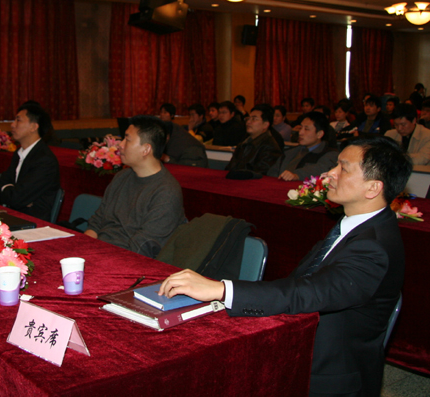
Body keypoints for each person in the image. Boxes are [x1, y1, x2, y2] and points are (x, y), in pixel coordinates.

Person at [159, 136, 411, 397]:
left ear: (372, 188)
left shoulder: (374, 246)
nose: (330, 174)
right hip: (300, 337)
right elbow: (299, 284)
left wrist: (221, 289)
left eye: (343, 168)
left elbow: (310, 292)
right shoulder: (355, 225)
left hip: (328, 374)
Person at [85, 116, 186, 258]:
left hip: (126, 260)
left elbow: (142, 248)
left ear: (146, 149)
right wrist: (83, 247)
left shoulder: (166, 192)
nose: (120, 145)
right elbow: (97, 222)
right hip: (100, 252)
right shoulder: (122, 176)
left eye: (127, 139)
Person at [0, 104, 60, 221]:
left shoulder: (45, 160)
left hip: (33, 222)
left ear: (33, 127)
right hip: (15, 215)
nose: (12, 124)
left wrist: (9, 191)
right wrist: (11, 191)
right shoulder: (19, 153)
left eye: (18, 120)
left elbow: (16, 198)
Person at [268, 111, 338, 181]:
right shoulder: (290, 152)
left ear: (319, 134)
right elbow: (272, 172)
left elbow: (320, 169)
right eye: (301, 128)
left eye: (306, 129)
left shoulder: (330, 154)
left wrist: (297, 175)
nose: (300, 132)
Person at [225, 104, 282, 176]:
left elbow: (260, 174)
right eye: (248, 118)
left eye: (254, 119)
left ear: (265, 124)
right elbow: (229, 168)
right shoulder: (243, 144)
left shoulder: (270, 147)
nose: (248, 122)